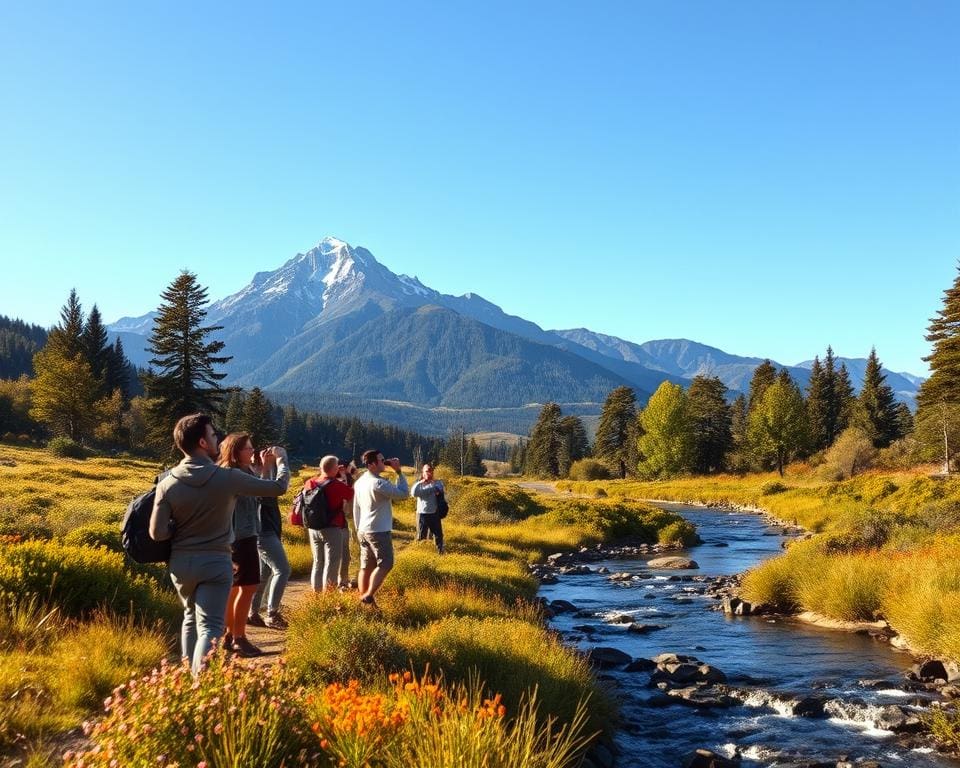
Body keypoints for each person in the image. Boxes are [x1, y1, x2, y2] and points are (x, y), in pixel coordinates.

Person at [149, 413, 289, 675]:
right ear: (203, 442)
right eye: (213, 435)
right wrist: (282, 461)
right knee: (211, 626)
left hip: (181, 563)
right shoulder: (226, 478)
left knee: (190, 618)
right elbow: (278, 489)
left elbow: (157, 532)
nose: (217, 439)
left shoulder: (167, 481)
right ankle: (200, 683)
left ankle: (186, 677)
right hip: (215, 561)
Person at [218, 433, 266, 657]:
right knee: (248, 587)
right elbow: (270, 488)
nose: (252, 452)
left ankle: (229, 634)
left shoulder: (233, 472)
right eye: (248, 448)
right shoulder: (236, 475)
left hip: (235, 537)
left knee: (235, 588)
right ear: (236, 451)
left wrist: (262, 468)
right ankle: (239, 637)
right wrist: (281, 464)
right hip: (242, 537)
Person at [352, 449, 408, 607]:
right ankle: (368, 596)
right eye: (382, 460)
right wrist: (398, 471)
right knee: (385, 564)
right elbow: (403, 494)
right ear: (371, 464)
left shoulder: (360, 481)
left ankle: (365, 602)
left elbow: (356, 507)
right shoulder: (378, 483)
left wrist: (358, 529)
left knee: (366, 566)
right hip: (378, 530)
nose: (385, 462)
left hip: (363, 529)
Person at [248, 451, 292, 630]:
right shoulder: (254, 482)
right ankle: (272, 614)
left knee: (264, 574)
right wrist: (280, 459)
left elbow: (268, 485)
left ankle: (252, 612)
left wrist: (266, 466)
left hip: (265, 532)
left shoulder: (255, 479)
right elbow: (269, 487)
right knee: (282, 569)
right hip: (264, 532)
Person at [305, 455, 354, 591]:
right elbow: (351, 494)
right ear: (335, 468)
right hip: (332, 529)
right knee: (332, 563)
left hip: (313, 527)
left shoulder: (310, 483)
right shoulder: (337, 485)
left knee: (317, 562)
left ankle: (316, 593)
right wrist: (345, 475)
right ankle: (329, 596)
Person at [411, 463, 445, 554]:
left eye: (431, 471)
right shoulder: (418, 484)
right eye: (427, 471)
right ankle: (419, 554)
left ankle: (440, 554)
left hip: (434, 513)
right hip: (422, 514)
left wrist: (423, 492)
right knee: (421, 536)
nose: (429, 473)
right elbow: (414, 493)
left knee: (438, 536)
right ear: (423, 473)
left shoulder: (438, 483)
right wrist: (424, 484)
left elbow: (439, 490)